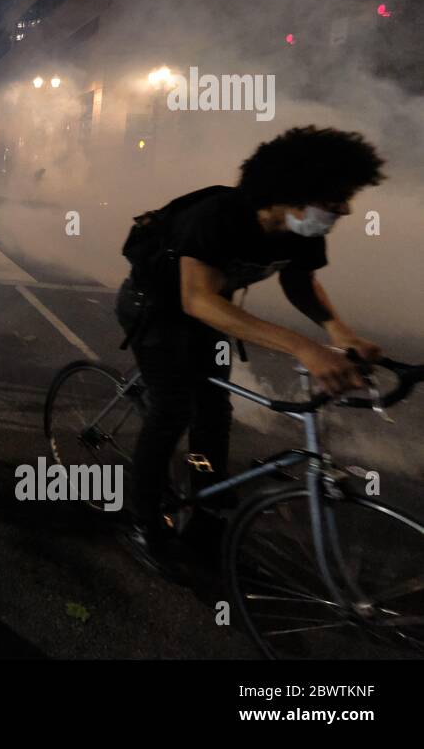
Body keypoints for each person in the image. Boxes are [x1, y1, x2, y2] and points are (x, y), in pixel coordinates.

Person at [115, 126, 387, 577]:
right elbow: (196, 300)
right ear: (287, 192)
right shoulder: (218, 217)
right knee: (172, 409)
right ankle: (143, 524)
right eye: (333, 197)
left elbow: (298, 281)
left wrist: (341, 333)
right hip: (157, 309)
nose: (344, 208)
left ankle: (208, 511)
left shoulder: (303, 229)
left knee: (215, 409)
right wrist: (306, 348)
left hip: (210, 313)